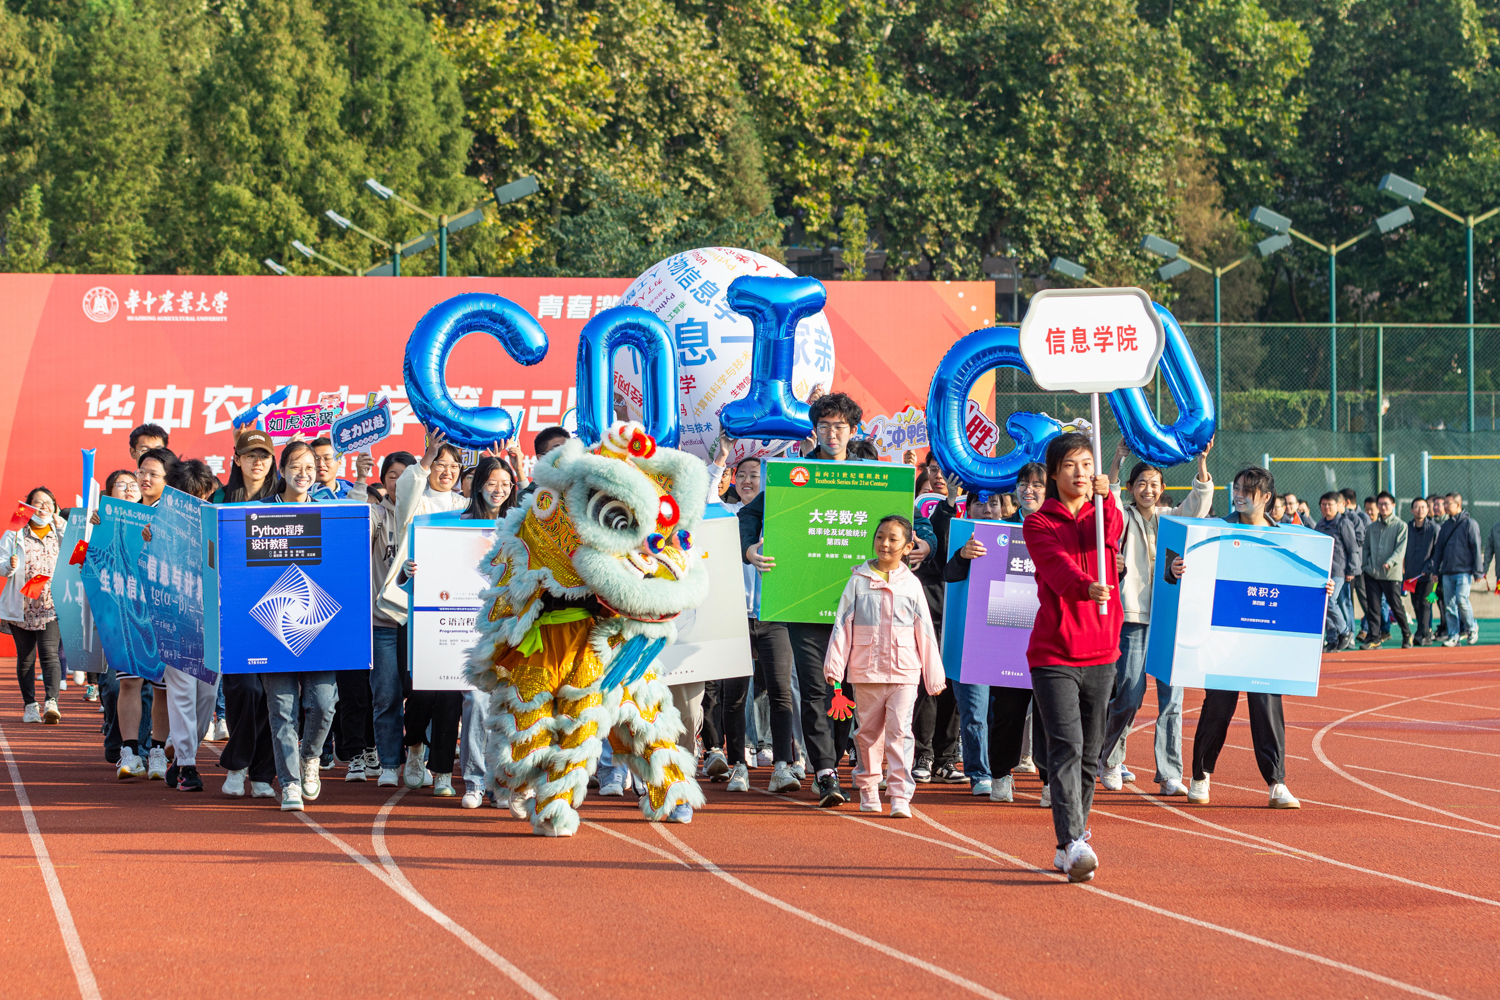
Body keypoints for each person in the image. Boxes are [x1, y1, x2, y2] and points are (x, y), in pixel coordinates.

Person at [741, 392, 874, 807]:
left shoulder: (872, 477)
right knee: (815, 688)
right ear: (814, 430)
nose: (832, 434)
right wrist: (749, 551)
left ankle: (843, 754)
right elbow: (748, 516)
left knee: (853, 688)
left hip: (859, 604)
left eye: (840, 427)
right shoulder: (792, 474)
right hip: (803, 599)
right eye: (824, 426)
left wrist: (919, 541)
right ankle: (826, 770)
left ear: (853, 432)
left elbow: (900, 521)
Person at [1179, 466, 1329, 811]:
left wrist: (1321, 588)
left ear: (1266, 497)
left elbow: (1302, 578)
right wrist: (1179, 569)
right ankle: (1200, 776)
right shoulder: (1218, 530)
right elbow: (1192, 570)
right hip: (1225, 635)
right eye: (1236, 488)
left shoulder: (1290, 537)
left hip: (1266, 638)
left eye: (1247, 490)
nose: (1239, 494)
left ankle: (1277, 782)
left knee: (1266, 705)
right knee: (1218, 705)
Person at [1023, 432, 1122, 883]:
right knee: (1067, 747)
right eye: (1070, 467)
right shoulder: (1038, 523)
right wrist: (1085, 586)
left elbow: (1110, 533)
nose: (1080, 474)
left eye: (1086, 465)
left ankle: (1071, 840)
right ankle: (1074, 840)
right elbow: (1057, 567)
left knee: (1090, 755)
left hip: (1103, 650)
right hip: (1055, 653)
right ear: (1054, 473)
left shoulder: (1103, 514)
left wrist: (1108, 500)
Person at [1098, 438, 1214, 796]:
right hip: (1132, 617)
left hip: (1168, 619)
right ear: (1133, 489)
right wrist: (1118, 459)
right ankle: (1111, 758)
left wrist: (1201, 464)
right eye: (1141, 483)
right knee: (1130, 693)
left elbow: (1199, 504)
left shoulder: (1170, 519)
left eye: (1154, 484)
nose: (1147, 489)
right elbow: (1108, 498)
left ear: (1163, 489)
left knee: (1172, 698)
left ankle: (1168, 772)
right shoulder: (1123, 517)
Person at [824, 515, 944, 818]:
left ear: (907, 546)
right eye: (880, 537)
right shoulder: (857, 582)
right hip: (866, 671)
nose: (885, 544)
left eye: (893, 538)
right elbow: (842, 627)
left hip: (905, 671)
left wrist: (933, 674)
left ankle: (900, 794)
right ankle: (867, 786)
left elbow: (925, 631)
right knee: (867, 733)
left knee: (901, 733)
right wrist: (835, 671)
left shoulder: (912, 585)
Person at [383, 433, 468, 793]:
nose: (445, 471)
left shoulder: (467, 506)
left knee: (451, 693)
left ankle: (443, 772)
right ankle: (414, 746)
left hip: (459, 610)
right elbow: (408, 488)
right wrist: (427, 454)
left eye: (453, 465)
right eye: (439, 464)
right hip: (418, 612)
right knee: (418, 690)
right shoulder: (415, 501)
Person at [259, 441, 340, 811]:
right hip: (270, 628)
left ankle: (310, 758)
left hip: (320, 628)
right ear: (282, 471)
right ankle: (290, 782)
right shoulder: (257, 515)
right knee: (282, 709)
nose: (304, 473)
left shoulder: (333, 514)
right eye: (296, 466)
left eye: (310, 466)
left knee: (323, 705)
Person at [941, 486, 1013, 799]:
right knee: (974, 711)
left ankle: (1001, 771)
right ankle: (979, 772)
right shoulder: (960, 539)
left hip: (1007, 642)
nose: (987, 510)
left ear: (1004, 507)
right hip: (969, 642)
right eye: (980, 504)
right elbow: (947, 574)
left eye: (993, 503)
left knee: (1004, 714)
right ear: (968, 509)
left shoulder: (1019, 537)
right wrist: (961, 556)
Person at [456, 454, 520, 807]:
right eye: (492, 482)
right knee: (476, 701)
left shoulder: (520, 526)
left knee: (510, 705)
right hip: (470, 630)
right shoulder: (453, 526)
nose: (499, 490)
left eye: (505, 484)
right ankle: (475, 781)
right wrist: (411, 571)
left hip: (512, 629)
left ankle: (503, 782)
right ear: (478, 484)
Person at [159, 460, 223, 792]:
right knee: (182, 691)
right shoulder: (157, 519)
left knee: (207, 695)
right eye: (188, 495)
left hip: (211, 621)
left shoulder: (216, 520)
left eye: (200, 495)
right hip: (173, 620)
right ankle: (187, 764)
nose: (195, 501)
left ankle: (182, 750)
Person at [911, 450, 961, 785]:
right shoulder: (916, 511)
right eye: (933, 469)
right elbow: (935, 546)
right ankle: (923, 755)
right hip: (925, 608)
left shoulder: (975, 504)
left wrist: (955, 501)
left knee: (953, 686)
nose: (939, 475)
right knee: (925, 686)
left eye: (945, 470)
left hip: (960, 609)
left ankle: (946, 757)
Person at [2, 487, 65, 724]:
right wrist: (9, 565)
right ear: (28, 507)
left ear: (55, 506)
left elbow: (79, 554)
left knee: (49, 654)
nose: (43, 506)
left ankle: (52, 702)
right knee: (26, 657)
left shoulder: (62, 531)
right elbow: (0, 565)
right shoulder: (14, 534)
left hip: (51, 604)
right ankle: (30, 705)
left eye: (48, 502)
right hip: (22, 605)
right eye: (37, 502)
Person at [1359, 491, 1410, 649]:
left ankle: (1407, 633)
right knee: (1373, 607)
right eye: (1380, 504)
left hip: (1390, 574)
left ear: (1393, 506)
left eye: (1386, 504)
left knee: (1395, 605)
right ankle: (1374, 638)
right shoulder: (1372, 527)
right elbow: (1366, 548)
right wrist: (1366, 566)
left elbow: (1400, 549)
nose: (1382, 507)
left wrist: (1390, 562)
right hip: (1372, 573)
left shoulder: (1400, 526)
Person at [1432, 492, 1483, 646]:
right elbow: (1439, 549)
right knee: (1449, 605)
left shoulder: (1470, 524)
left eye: (1448, 503)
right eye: (1444, 504)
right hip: (1447, 572)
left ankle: (1472, 627)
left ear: (1458, 505)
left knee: (1462, 599)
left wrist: (1478, 571)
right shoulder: (1446, 526)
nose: (1444, 506)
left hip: (1464, 571)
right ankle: (1453, 635)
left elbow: (1476, 548)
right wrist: (1435, 571)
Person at [1314, 492, 1359, 652]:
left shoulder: (1343, 523)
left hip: (1339, 570)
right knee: (1324, 603)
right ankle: (1332, 639)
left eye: (1330, 504)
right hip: (1323, 571)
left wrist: (1351, 570)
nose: (1326, 508)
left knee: (1331, 601)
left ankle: (1345, 631)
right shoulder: (1320, 524)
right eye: (1323, 504)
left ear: (1338, 505)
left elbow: (1352, 548)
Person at [1406, 497, 1440, 645]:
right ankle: (1424, 633)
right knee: (1416, 604)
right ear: (1412, 510)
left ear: (1428, 509)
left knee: (1425, 603)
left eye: (1423, 507)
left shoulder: (1434, 528)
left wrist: (1430, 568)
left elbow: (1438, 551)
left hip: (1428, 575)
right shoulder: (1406, 527)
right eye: (1417, 507)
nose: (1420, 510)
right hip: (1411, 574)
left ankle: (1421, 633)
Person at [212, 430, 279, 503]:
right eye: (251, 456)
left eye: (264, 457)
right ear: (237, 460)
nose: (258, 462)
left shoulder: (281, 498)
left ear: (272, 461)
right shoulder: (218, 498)